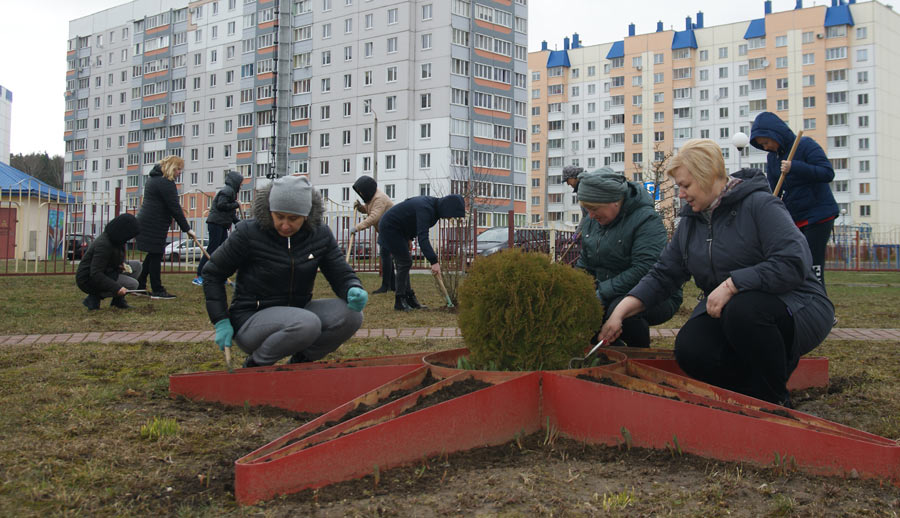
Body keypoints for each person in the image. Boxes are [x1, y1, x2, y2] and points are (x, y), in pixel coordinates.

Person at [598, 139, 834, 406]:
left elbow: (794, 261)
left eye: (685, 186)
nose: (681, 195)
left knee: (743, 311)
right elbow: (663, 275)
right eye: (679, 188)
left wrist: (733, 284)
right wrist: (619, 312)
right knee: (691, 349)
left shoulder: (760, 205)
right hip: (732, 310)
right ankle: (741, 397)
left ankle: (773, 400)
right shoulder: (690, 224)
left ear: (707, 176)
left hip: (796, 305)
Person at [202, 175, 367, 368]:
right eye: (279, 216)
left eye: (293, 218)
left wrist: (352, 288)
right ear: (270, 210)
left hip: (298, 312)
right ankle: (256, 365)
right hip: (251, 319)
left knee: (352, 315)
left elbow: (340, 272)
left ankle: (300, 363)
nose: (285, 225)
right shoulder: (248, 233)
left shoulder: (320, 235)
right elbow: (213, 273)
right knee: (307, 324)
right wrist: (221, 320)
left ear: (306, 215)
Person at [575, 168, 682, 348]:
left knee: (619, 311)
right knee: (586, 311)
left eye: (594, 209)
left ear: (614, 201)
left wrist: (602, 292)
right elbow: (585, 263)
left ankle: (639, 357)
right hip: (607, 290)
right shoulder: (591, 223)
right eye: (587, 210)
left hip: (656, 294)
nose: (591, 216)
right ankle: (605, 357)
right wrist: (579, 290)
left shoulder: (646, 220)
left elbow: (645, 269)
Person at [750, 112, 838, 287]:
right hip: (796, 218)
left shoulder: (805, 145)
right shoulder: (772, 157)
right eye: (762, 145)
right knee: (799, 265)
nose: (766, 147)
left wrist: (795, 167)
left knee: (813, 266)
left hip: (818, 215)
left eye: (766, 142)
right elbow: (773, 188)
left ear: (774, 134)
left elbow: (827, 173)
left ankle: (823, 311)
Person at [378, 194, 466, 311]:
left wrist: (409, 237)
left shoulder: (433, 209)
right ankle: (400, 301)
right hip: (390, 227)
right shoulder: (426, 209)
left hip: (400, 230)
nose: (450, 218)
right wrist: (433, 261)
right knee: (404, 262)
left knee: (405, 262)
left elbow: (410, 219)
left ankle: (409, 298)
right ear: (448, 208)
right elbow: (423, 238)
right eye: (452, 215)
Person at [135, 155, 195, 299]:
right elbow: (174, 208)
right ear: (172, 168)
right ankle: (157, 290)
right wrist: (187, 228)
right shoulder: (166, 183)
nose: (179, 173)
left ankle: (140, 285)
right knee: (155, 256)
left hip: (148, 221)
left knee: (152, 254)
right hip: (154, 224)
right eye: (178, 169)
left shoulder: (153, 179)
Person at [76, 213, 142, 310]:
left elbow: (112, 260)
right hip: (88, 279)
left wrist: (120, 264)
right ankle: (94, 297)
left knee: (137, 266)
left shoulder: (116, 239)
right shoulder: (104, 245)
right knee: (133, 284)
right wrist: (117, 288)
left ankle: (118, 302)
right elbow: (95, 273)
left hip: (108, 271)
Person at [193, 170, 243, 286]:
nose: (241, 185)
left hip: (222, 224)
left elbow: (230, 212)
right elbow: (221, 205)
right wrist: (237, 204)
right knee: (212, 250)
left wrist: (238, 223)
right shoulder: (227, 191)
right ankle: (199, 276)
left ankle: (220, 276)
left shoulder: (231, 192)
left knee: (222, 251)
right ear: (235, 181)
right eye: (241, 183)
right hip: (216, 224)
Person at [351, 175, 395, 294]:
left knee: (385, 256)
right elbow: (369, 209)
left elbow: (374, 217)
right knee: (387, 257)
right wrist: (360, 207)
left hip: (391, 230)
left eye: (361, 192)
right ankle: (392, 285)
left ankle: (386, 286)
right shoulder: (373, 198)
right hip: (386, 230)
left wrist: (357, 227)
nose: (361, 194)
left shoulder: (379, 198)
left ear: (367, 189)